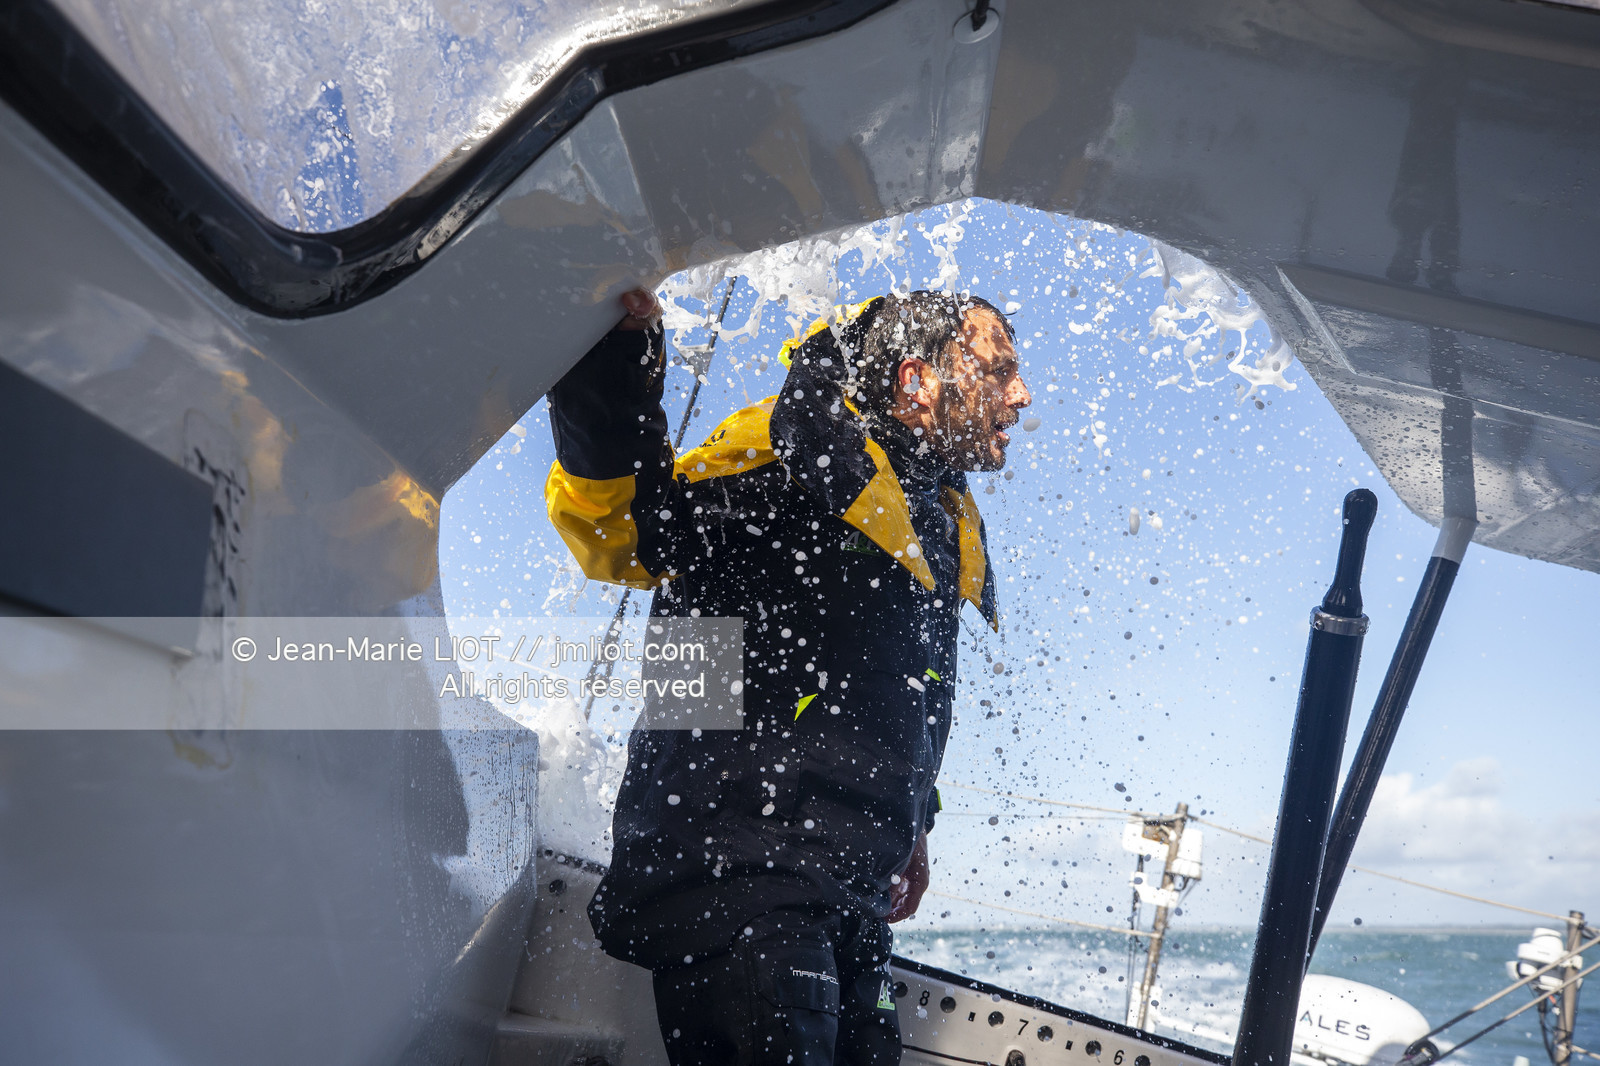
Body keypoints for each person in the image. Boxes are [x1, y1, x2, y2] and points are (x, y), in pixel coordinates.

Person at [545, 286, 1031, 1065]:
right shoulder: (790, 458)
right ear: (915, 381)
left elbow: (898, 686)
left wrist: (915, 824)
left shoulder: (925, 510)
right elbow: (637, 535)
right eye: (998, 370)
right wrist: (616, 357)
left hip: (845, 896)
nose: (1022, 394)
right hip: (742, 877)